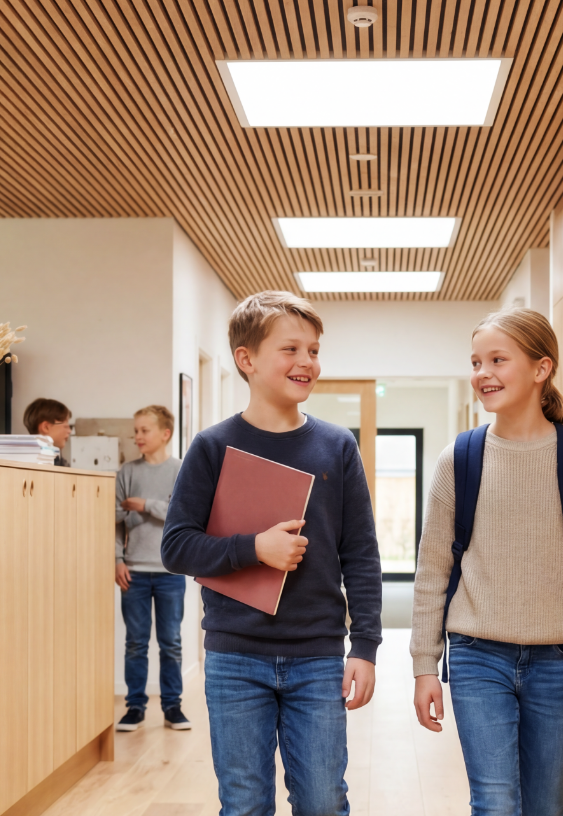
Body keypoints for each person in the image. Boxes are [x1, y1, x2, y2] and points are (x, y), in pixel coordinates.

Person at [161, 291, 382, 816]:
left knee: (324, 801)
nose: (306, 361)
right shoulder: (212, 447)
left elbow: (363, 554)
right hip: (235, 657)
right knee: (243, 803)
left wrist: (366, 646)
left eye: (313, 350)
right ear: (247, 360)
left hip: (318, 658)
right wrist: (254, 548)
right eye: (291, 349)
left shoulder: (337, 446)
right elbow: (176, 546)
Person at [411, 308, 563, 816]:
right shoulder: (458, 459)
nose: (482, 373)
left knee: (547, 804)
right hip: (475, 656)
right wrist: (424, 665)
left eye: (497, 360)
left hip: (556, 660)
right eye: (476, 362)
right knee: (496, 801)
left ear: (540, 368)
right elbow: (432, 572)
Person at [115, 405, 187, 732]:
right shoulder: (127, 472)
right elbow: (113, 521)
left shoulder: (181, 470)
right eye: (136, 430)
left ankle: (172, 706)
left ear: (165, 434)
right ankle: (134, 706)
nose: (138, 436)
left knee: (170, 642)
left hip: (170, 571)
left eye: (145, 430)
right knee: (136, 642)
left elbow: (183, 515)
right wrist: (116, 559)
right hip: (134, 571)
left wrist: (144, 505)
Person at [23, 397, 72, 466]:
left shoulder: (60, 462)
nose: (69, 431)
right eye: (65, 426)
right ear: (46, 427)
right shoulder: (27, 463)